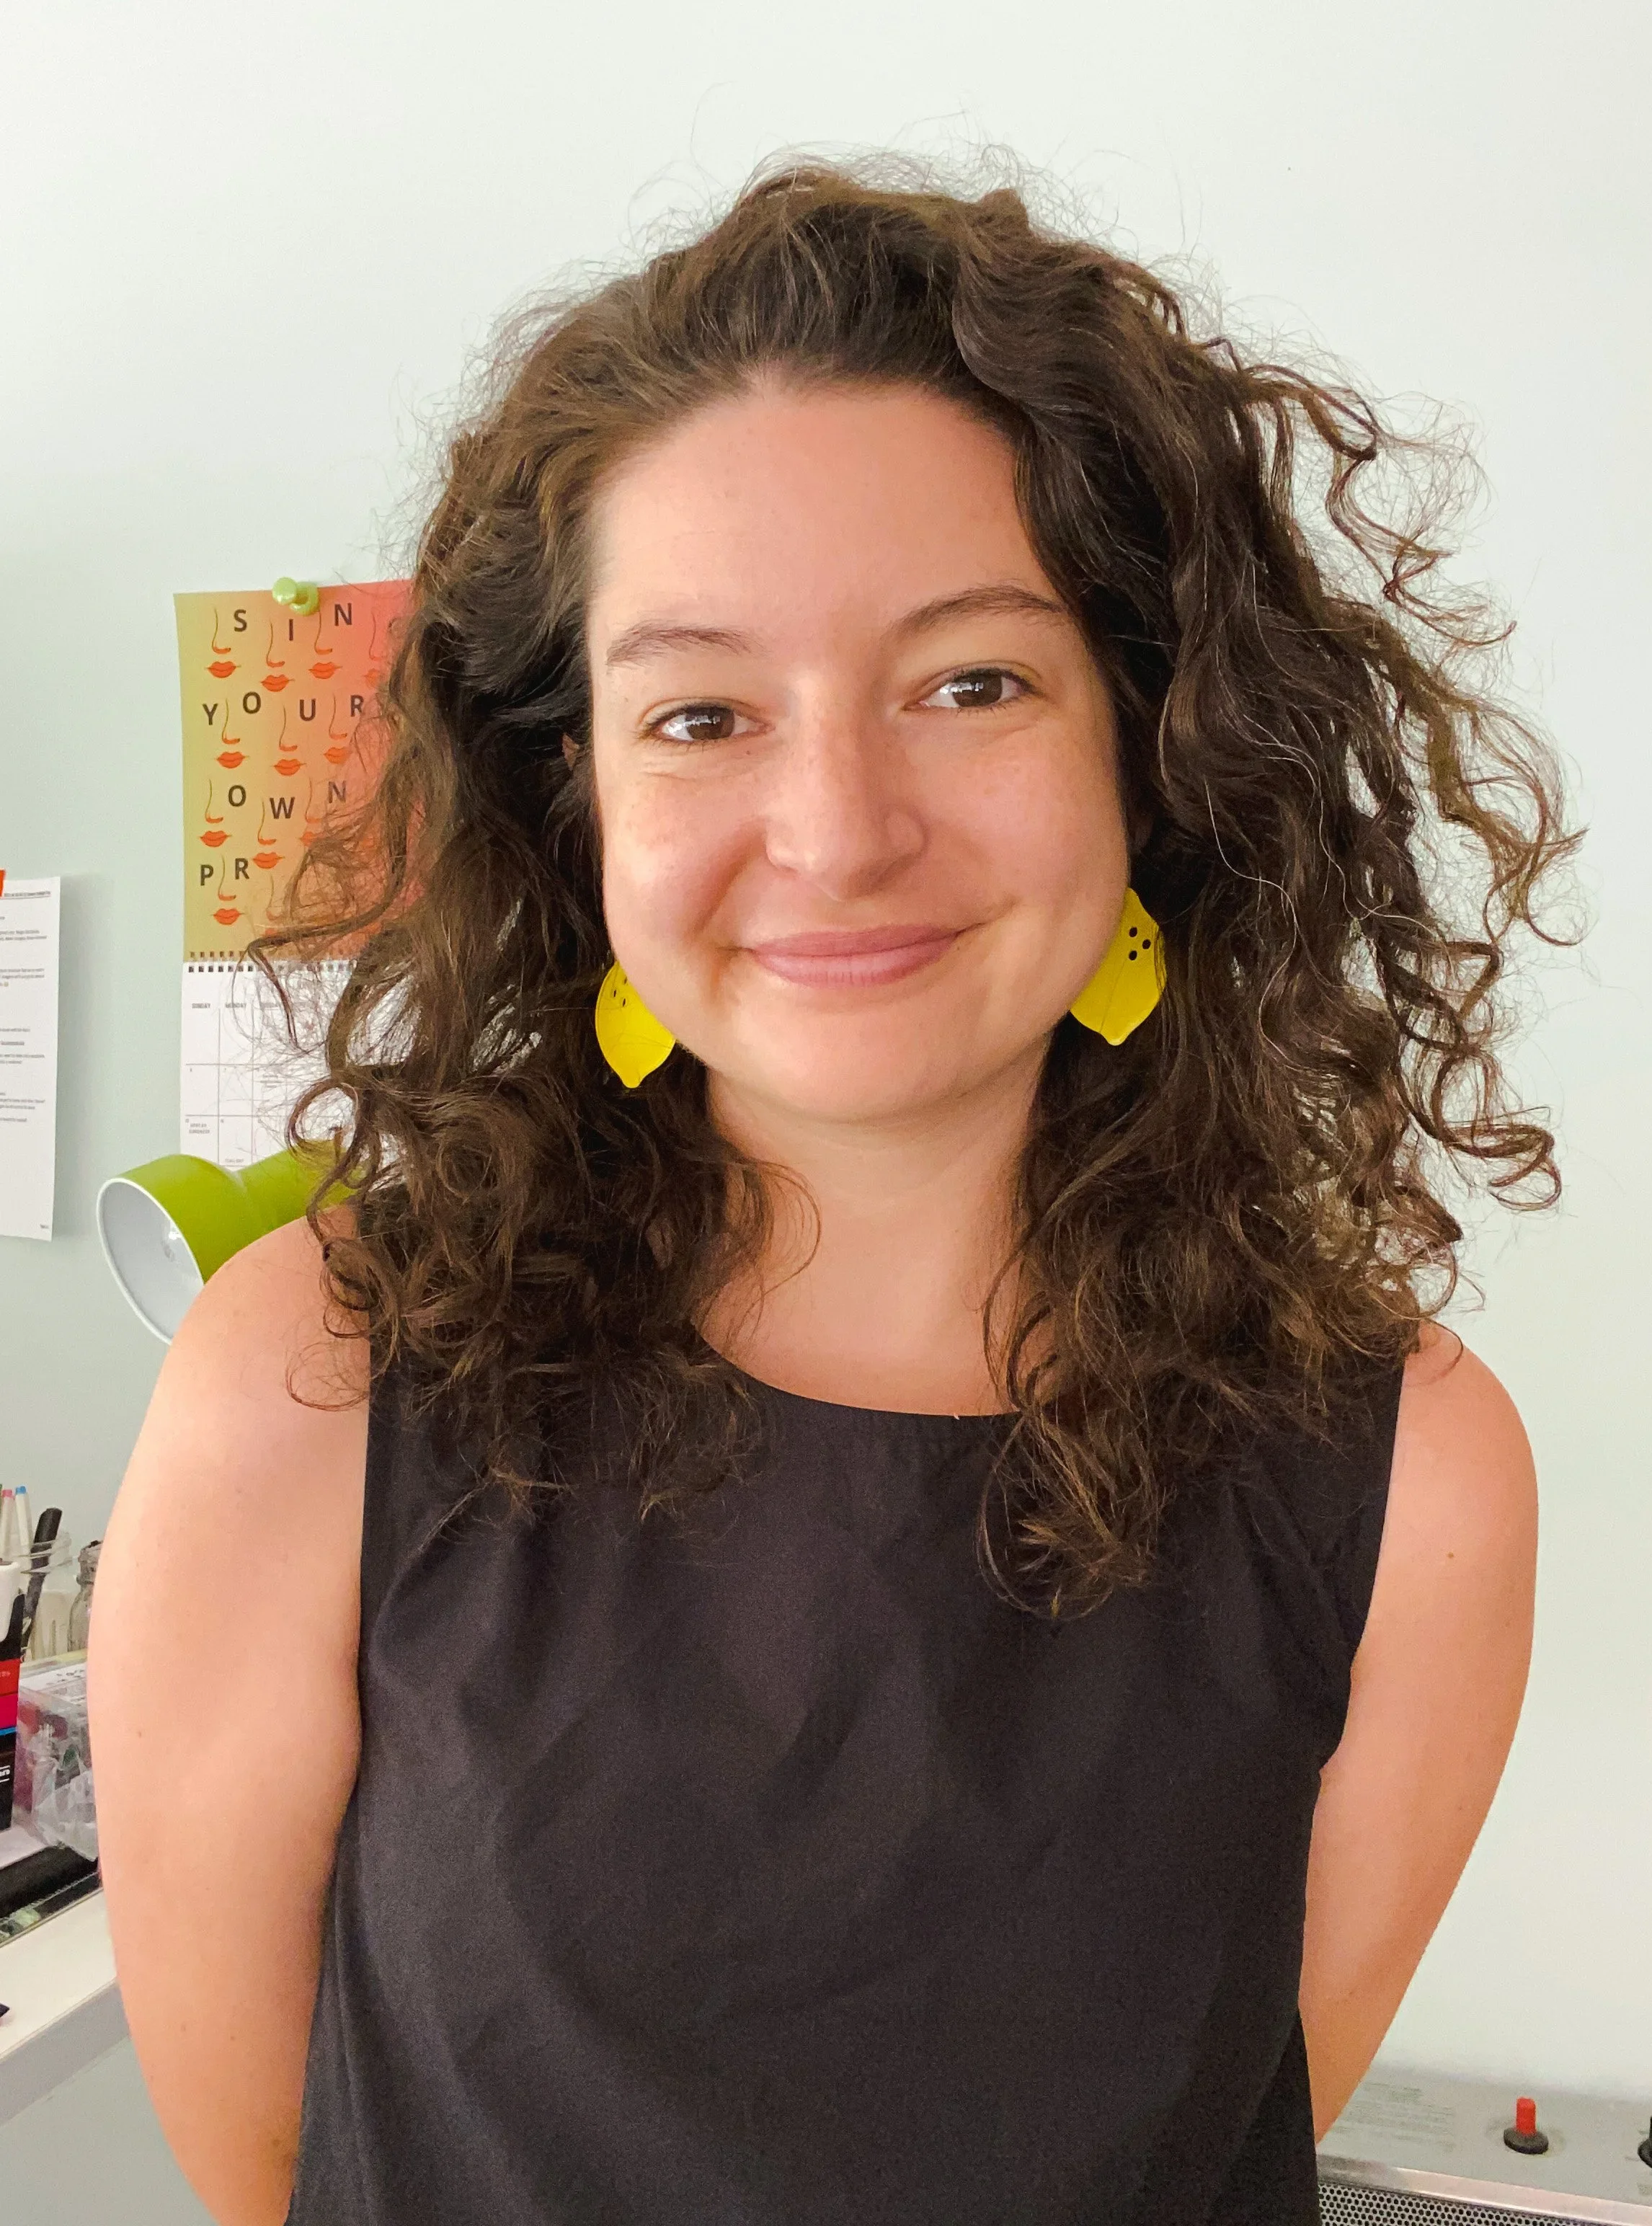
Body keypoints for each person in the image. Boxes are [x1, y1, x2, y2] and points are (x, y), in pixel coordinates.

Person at [89, 159, 1572, 2225]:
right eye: (699, 712)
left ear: (1152, 741)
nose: (835, 828)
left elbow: (1214, 2135)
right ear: (572, 797)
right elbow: (275, 2169)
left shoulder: (1412, 1472)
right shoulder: (314, 1378)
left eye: (970, 682)